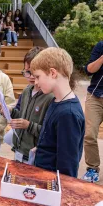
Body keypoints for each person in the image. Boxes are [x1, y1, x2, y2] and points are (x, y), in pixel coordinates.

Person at [0, 47, 54, 164]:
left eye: (34, 73)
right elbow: (20, 114)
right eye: (27, 72)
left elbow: (50, 133)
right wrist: (7, 111)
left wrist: (28, 125)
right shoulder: (27, 91)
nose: (31, 77)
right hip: (19, 150)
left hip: (34, 156)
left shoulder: (50, 97)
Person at [31, 47, 85, 178]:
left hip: (54, 184)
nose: (36, 82)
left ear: (52, 73)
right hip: (42, 174)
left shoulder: (68, 114)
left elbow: (67, 165)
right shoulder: (56, 101)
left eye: (38, 77)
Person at [82, 41, 103, 182]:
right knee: (89, 134)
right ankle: (92, 169)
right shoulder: (101, 46)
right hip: (95, 96)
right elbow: (89, 70)